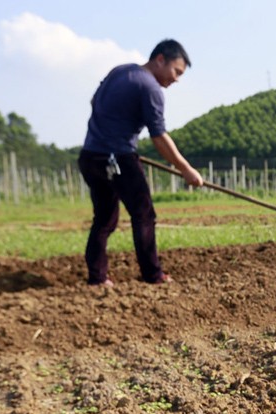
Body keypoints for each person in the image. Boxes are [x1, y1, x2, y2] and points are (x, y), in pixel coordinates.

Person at [78, 39, 203, 287]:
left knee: (104, 219)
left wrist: (114, 132)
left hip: (90, 156)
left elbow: (95, 102)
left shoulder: (120, 71)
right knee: (144, 215)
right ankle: (153, 275)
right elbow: (158, 136)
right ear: (160, 60)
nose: (176, 79)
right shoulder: (151, 88)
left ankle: (98, 278)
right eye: (176, 71)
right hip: (118, 158)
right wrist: (186, 170)